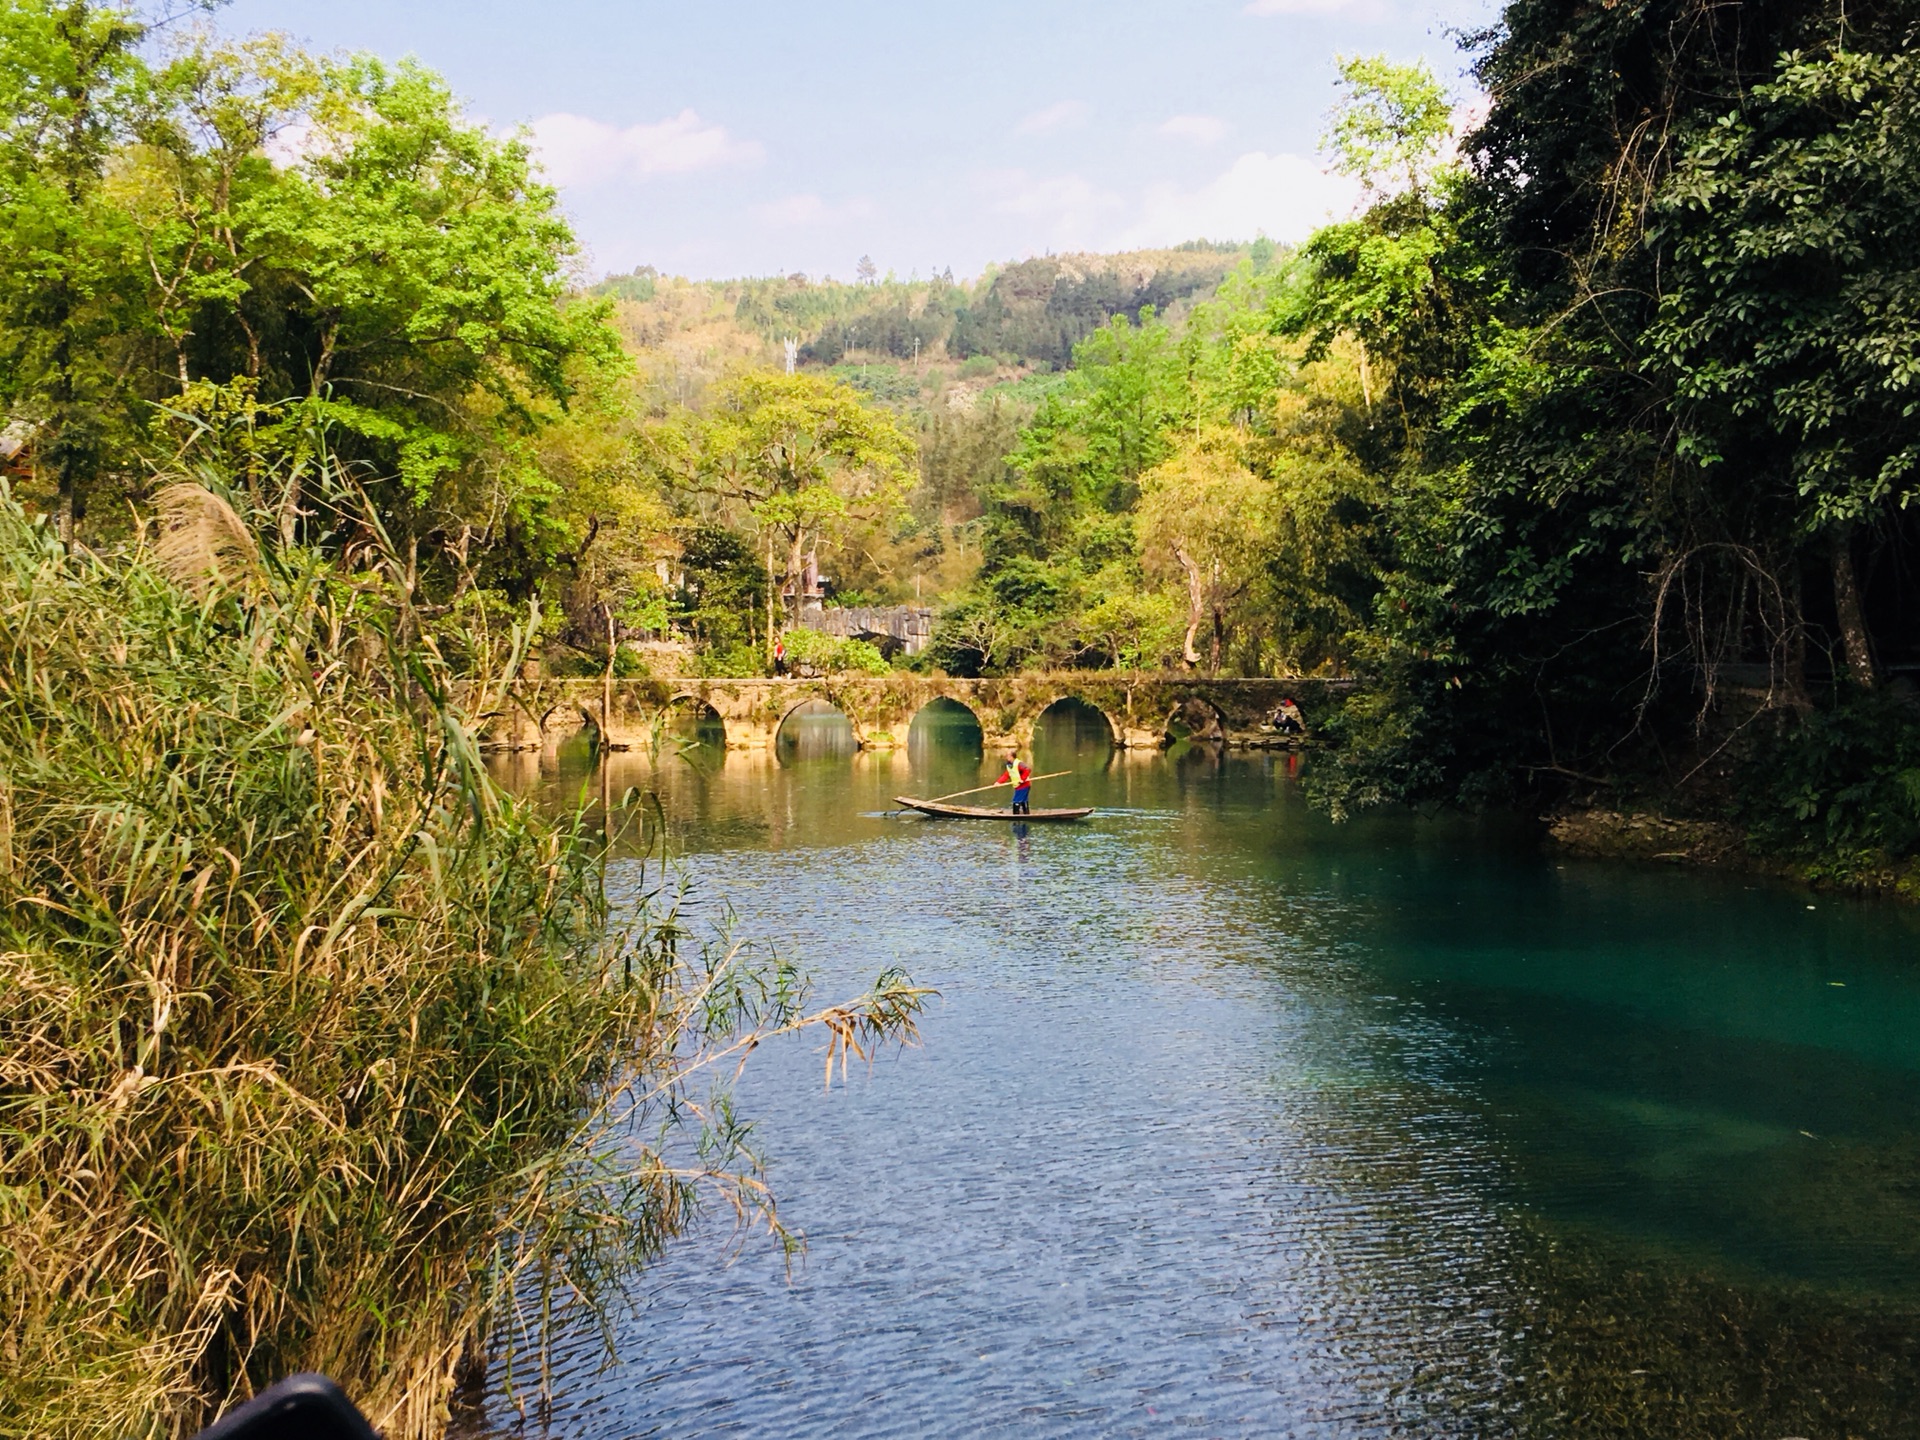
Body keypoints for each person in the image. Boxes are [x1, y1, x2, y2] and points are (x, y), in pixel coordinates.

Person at [996, 750, 1033, 814]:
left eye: (1008, 755)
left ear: (1012, 756)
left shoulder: (1019, 764)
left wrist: (1022, 779)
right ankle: (1026, 813)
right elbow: (1006, 775)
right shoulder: (1009, 765)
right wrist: (998, 782)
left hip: (1024, 785)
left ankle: (1016, 814)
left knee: (1016, 801)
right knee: (1023, 800)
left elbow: (1027, 770)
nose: (1006, 757)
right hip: (1018, 786)